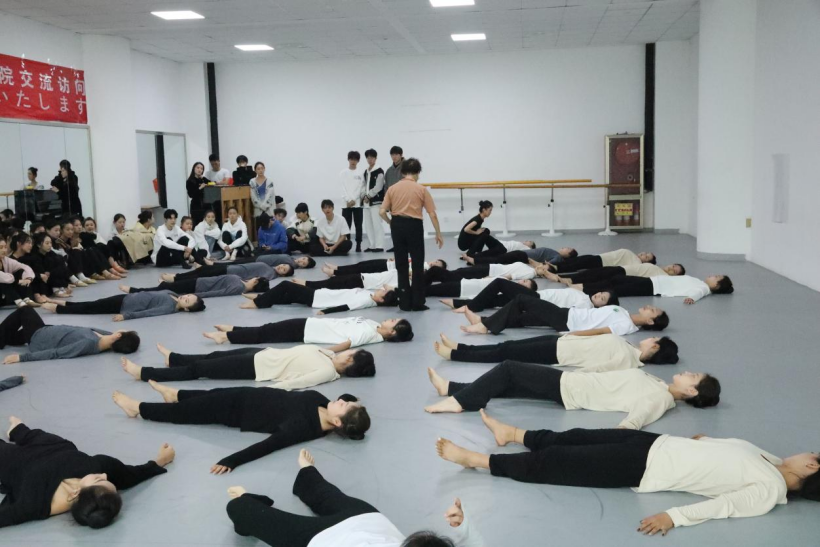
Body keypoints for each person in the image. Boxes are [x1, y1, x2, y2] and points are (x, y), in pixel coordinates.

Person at [435, 412, 820, 535]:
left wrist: (673, 517)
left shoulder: (769, 490)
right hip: (656, 442)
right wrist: (704, 441)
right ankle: (513, 434)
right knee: (576, 436)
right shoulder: (772, 460)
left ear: (811, 467)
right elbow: (729, 452)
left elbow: (724, 506)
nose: (807, 451)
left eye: (813, 454)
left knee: (558, 462)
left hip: (646, 466)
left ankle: (477, 460)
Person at [225, 449, 484, 547]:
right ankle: (307, 472)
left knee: (241, 508)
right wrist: (462, 525)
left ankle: (246, 498)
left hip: (321, 539)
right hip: (367, 521)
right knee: (325, 493)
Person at [111, 384, 370, 473]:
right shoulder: (324, 403)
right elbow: (346, 400)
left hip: (236, 411)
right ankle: (174, 394)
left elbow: (268, 446)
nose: (341, 401)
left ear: (337, 423)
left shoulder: (303, 427)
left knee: (186, 413)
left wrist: (231, 461)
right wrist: (353, 406)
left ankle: (138, 408)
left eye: (344, 406)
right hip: (247, 394)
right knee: (210, 394)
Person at [424, 362, 720, 430]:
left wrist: (623, 431)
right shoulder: (657, 382)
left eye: (692, 376)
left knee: (509, 368)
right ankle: (450, 388)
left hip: (571, 389)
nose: (687, 372)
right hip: (572, 382)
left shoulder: (662, 398)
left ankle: (459, 402)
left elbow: (639, 416)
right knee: (509, 384)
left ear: (691, 391)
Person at [0, 416, 173, 529]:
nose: (104, 475)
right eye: (107, 481)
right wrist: (161, 460)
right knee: (34, 435)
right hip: (54, 446)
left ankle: (17, 432)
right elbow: (132, 474)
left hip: (16, 463)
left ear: (75, 493)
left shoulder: (33, 504)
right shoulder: (99, 468)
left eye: (98, 479)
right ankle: (17, 429)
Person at [121, 342, 375, 389]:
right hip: (262, 353)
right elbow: (334, 348)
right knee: (213, 356)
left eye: (352, 353)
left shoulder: (328, 371)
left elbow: (298, 383)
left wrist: (269, 391)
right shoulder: (329, 355)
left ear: (350, 361)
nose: (348, 352)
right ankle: (173, 358)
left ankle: (144, 373)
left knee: (200, 371)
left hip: (254, 368)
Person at [380, 158, 444, 311]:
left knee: (401, 264)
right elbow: (432, 214)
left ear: (402, 172)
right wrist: (438, 233)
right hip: (414, 226)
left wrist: (391, 222)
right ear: (417, 172)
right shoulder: (421, 189)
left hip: (397, 225)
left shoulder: (392, 189)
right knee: (417, 264)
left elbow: (381, 211)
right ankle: (417, 302)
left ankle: (404, 302)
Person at [434, 332, 679, 368]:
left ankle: (455, 355)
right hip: (560, 341)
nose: (649, 337)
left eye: (654, 338)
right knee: (506, 346)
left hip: (557, 353)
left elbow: (598, 370)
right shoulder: (627, 347)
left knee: (504, 353)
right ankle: (461, 347)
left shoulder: (629, 359)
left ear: (655, 346)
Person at [459, 294, 669, 336]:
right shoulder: (622, 311)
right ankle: (483, 320)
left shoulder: (626, 326)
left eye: (652, 310)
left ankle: (486, 326)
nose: (648, 306)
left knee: (522, 300)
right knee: (525, 318)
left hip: (569, 323)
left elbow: (600, 332)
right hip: (569, 314)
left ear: (651, 321)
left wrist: (571, 335)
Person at [0, 307, 140, 364]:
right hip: (47, 332)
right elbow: (108, 334)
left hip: (39, 338)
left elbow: (57, 353)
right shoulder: (107, 340)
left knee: (26, 311)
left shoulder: (89, 343)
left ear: (118, 335)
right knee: (10, 336)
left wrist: (21, 358)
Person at [203, 317, 413, 347]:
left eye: (393, 322)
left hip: (307, 331)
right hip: (311, 323)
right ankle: (234, 330)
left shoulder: (371, 335)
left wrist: (325, 353)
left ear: (393, 332)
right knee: (269, 328)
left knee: (266, 334)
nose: (389, 319)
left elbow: (348, 343)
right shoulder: (373, 324)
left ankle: (226, 337)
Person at [443, 278, 617, 312]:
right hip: (538, 295)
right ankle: (459, 303)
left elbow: (565, 313)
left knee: (499, 283)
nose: (598, 295)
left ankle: (469, 306)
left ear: (602, 307)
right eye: (601, 293)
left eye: (602, 299)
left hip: (537, 300)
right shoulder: (584, 296)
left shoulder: (585, 306)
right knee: (499, 300)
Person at [571, 274, 735, 305]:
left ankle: (584, 289)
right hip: (652, 281)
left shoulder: (703, 288)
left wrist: (692, 298)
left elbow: (698, 293)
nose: (712, 275)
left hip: (653, 287)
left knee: (618, 288)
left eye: (716, 277)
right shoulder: (699, 281)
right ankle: (584, 286)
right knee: (618, 279)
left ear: (716, 286)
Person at [41, 291, 205, 321]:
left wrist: (126, 316)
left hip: (124, 305)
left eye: (187, 301)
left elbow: (148, 313)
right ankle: (64, 303)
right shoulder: (173, 294)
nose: (185, 297)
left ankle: (59, 309)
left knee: (91, 308)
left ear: (186, 309)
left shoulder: (169, 307)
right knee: (94, 304)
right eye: (188, 295)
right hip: (127, 297)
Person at [240, 282, 397, 313]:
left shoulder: (365, 301)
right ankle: (262, 297)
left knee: (285, 286)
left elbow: (346, 307)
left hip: (317, 299)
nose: (381, 290)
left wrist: (325, 312)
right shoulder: (371, 295)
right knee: (289, 297)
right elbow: (388, 287)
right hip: (320, 294)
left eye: (383, 293)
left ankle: (258, 302)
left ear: (381, 300)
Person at [122, 275, 268, 299]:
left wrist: (196, 295)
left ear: (255, 282)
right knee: (169, 286)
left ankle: (135, 290)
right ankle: (163, 284)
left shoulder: (238, 288)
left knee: (165, 288)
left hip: (197, 287)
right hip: (199, 281)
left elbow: (217, 293)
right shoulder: (241, 282)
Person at [545, 262, 685, 285]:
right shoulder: (658, 267)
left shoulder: (662, 276)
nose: (671, 268)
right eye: (673, 266)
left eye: (675, 271)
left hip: (624, 273)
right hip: (622, 268)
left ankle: (561, 278)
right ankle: (563, 277)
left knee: (594, 275)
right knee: (593, 273)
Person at [161, 259, 293, 283]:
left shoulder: (270, 274)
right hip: (231, 268)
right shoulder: (270, 267)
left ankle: (176, 278)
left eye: (284, 270)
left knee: (203, 274)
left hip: (231, 273)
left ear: (283, 275)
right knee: (203, 270)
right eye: (283, 265)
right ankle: (177, 276)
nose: (281, 267)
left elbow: (255, 280)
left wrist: (242, 281)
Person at [425, 262, 545, 285]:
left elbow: (509, 277)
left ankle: (432, 275)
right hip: (491, 267)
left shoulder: (530, 274)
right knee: (460, 272)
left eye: (544, 269)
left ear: (542, 274)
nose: (542, 266)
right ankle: (433, 275)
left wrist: (490, 278)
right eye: (543, 265)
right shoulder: (529, 268)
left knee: (460, 274)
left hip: (489, 272)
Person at [548, 249, 656, 273]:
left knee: (578, 264)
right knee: (579, 260)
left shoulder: (637, 263)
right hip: (601, 257)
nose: (643, 254)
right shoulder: (633, 257)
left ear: (646, 263)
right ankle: (555, 264)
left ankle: (556, 268)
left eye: (646, 257)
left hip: (603, 263)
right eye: (646, 253)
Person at [339, 152, 365, 252]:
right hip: (346, 204)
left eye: (355, 159)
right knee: (346, 225)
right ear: (348, 159)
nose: (353, 161)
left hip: (357, 204)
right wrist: (348, 200)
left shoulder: (361, 173)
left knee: (358, 225)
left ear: (358, 161)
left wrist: (354, 199)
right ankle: (347, 244)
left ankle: (358, 244)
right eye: (351, 159)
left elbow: (361, 188)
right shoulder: (343, 173)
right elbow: (342, 188)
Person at [0, 239, 37, 308]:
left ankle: (26, 298)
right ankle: (18, 301)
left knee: (21, 271)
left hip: (6, 295)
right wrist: (18, 281)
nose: (4, 250)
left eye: (5, 247)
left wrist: (28, 279)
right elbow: (3, 277)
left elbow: (25, 267)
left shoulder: (5, 260)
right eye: (1, 247)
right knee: (4, 280)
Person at [361, 149, 386, 252]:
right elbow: (363, 185)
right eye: (368, 158)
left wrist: (368, 196)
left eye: (372, 157)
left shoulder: (379, 171)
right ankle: (372, 245)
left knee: (377, 224)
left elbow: (379, 186)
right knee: (368, 225)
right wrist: (363, 196)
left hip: (376, 202)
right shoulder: (366, 171)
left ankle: (379, 246)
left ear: (375, 158)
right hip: (366, 203)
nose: (370, 159)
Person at [321, 257, 446, 277]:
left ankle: (335, 273)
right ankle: (338, 268)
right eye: (436, 261)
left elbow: (408, 271)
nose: (434, 263)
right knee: (361, 264)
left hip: (387, 269)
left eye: (437, 265)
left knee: (360, 269)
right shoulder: (423, 262)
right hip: (387, 262)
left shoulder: (424, 270)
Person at [465, 246, 576, 266]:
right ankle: (475, 260)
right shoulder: (556, 254)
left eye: (568, 248)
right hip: (521, 255)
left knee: (498, 259)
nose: (564, 247)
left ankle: (475, 260)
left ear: (568, 254)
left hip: (522, 256)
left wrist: (545, 264)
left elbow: (549, 264)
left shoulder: (558, 257)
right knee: (499, 259)